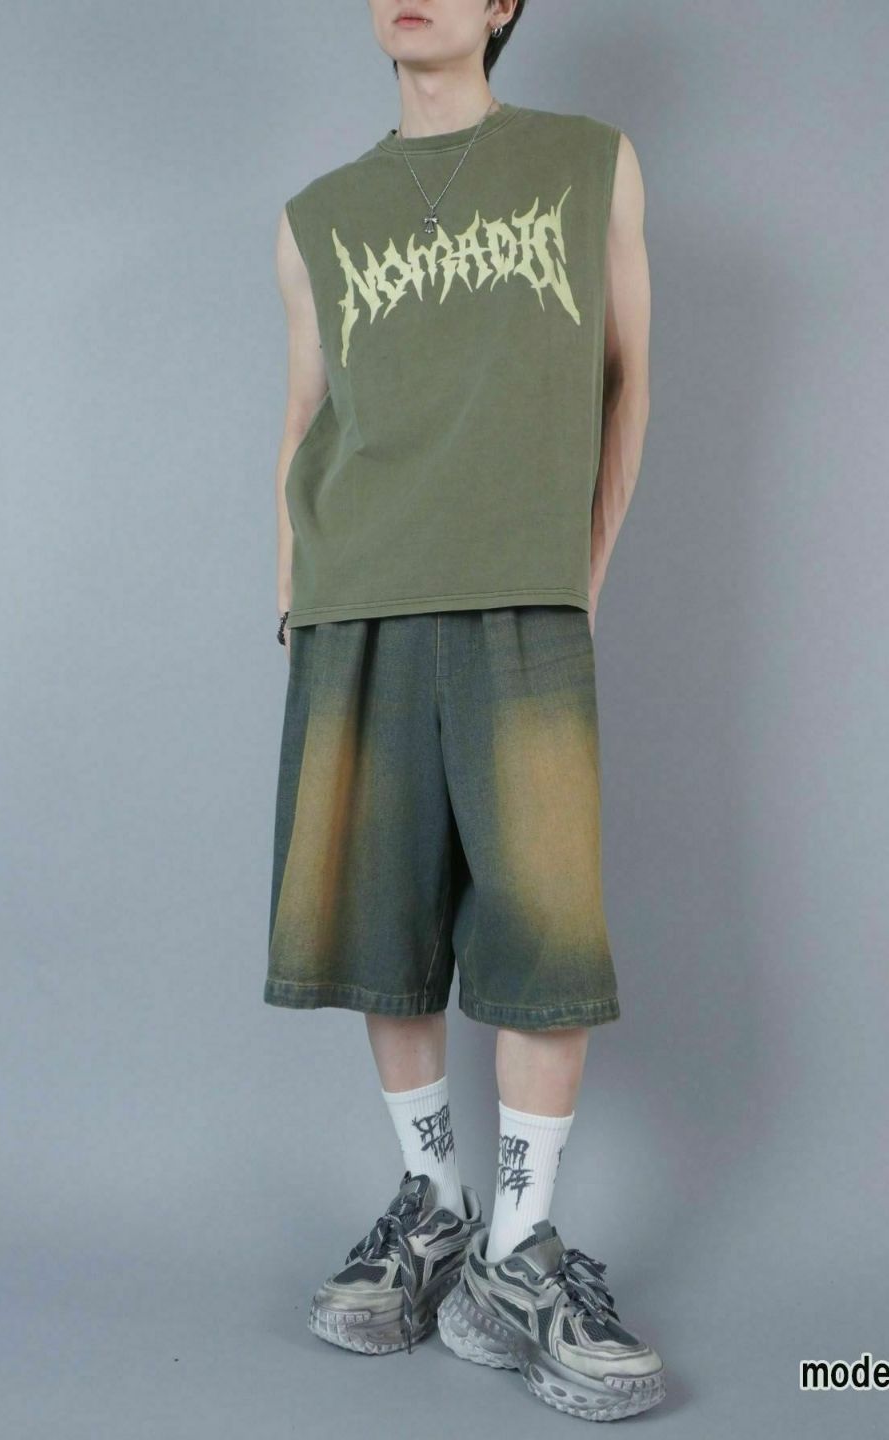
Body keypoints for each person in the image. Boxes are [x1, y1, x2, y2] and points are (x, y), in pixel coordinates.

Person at [264, 0, 658, 1420]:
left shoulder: (588, 162)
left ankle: (519, 1248)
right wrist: (295, 600)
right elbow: (304, 425)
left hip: (520, 598)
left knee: (545, 928)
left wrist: (577, 577)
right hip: (357, 603)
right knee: (384, 926)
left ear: (503, 5)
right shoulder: (313, 218)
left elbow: (627, 381)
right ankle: (434, 1209)